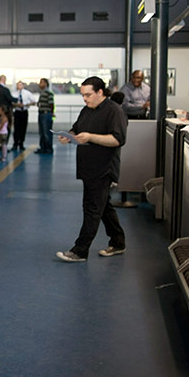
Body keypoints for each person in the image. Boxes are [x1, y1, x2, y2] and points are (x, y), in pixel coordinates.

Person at [55, 76, 127, 263]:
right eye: (83, 95)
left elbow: (118, 139)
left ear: (100, 92)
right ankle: (118, 242)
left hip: (103, 168)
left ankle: (80, 251)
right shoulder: (86, 110)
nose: (85, 99)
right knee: (103, 207)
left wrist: (91, 137)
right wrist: (68, 136)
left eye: (88, 95)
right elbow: (76, 129)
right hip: (88, 167)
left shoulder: (114, 111)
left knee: (92, 208)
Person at [0, 75, 16, 151]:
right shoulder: (5, 90)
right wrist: (17, 99)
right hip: (5, 112)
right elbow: (10, 99)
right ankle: (4, 146)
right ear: (4, 79)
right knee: (6, 129)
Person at [12, 81, 36, 151]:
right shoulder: (14, 94)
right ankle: (15, 144)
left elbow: (33, 102)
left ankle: (21, 143)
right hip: (17, 112)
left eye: (20, 85)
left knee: (23, 128)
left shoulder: (27, 93)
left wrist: (26, 104)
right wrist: (17, 105)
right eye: (18, 85)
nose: (19, 86)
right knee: (16, 129)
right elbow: (11, 103)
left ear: (23, 86)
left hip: (24, 112)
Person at [36, 78, 55, 154]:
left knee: (46, 132)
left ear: (46, 84)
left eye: (42, 82)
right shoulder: (42, 93)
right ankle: (43, 148)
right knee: (42, 132)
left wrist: (51, 112)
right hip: (41, 113)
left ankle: (48, 149)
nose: (40, 84)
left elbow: (51, 104)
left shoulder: (48, 92)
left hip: (46, 114)